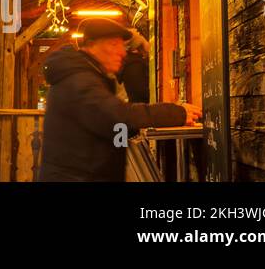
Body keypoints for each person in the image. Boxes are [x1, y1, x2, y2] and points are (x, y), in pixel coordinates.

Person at [38, 17, 199, 182]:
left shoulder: (90, 77)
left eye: (122, 45)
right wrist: (176, 113)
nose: (122, 52)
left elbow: (111, 128)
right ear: (91, 46)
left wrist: (133, 132)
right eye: (114, 44)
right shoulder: (79, 81)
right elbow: (118, 118)